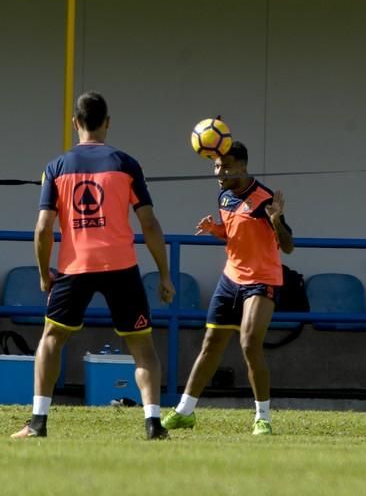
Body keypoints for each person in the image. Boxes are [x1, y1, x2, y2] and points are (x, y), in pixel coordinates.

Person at [11, 91, 176, 440]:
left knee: (51, 339)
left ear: (75, 123)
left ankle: (38, 423)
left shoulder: (56, 167)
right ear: (107, 123)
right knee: (142, 347)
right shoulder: (127, 164)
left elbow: (43, 229)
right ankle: (153, 424)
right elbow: (149, 224)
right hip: (121, 265)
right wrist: (163, 274)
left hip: (75, 266)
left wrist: (44, 274)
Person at [162, 141, 293, 436]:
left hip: (262, 280)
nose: (219, 172)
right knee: (210, 344)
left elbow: (288, 245)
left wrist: (276, 222)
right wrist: (216, 230)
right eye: (216, 167)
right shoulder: (224, 195)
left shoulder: (264, 198)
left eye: (225, 167)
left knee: (249, 342)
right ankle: (184, 412)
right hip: (231, 278)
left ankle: (263, 418)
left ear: (243, 167)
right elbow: (237, 234)